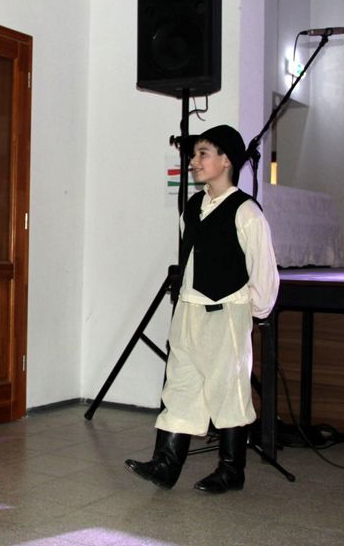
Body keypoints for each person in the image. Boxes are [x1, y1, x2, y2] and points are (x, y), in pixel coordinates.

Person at [125, 124, 279, 494]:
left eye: (203, 154)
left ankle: (231, 470)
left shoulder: (246, 212)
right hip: (189, 309)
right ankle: (166, 464)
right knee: (180, 384)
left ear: (226, 161)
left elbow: (263, 269)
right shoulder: (193, 207)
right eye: (194, 154)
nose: (194, 161)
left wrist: (253, 311)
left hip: (226, 312)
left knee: (228, 388)